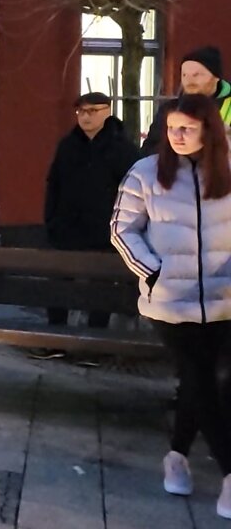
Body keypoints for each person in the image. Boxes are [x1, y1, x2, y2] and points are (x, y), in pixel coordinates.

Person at [111, 94, 231, 517]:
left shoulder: (229, 170)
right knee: (201, 378)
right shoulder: (145, 173)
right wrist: (153, 270)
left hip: (224, 300)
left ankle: (177, 457)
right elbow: (123, 230)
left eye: (187, 128)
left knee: (203, 385)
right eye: (171, 128)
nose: (177, 136)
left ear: (209, 131)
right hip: (169, 302)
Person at [33, 92, 139, 363]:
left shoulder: (122, 148)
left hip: (104, 233)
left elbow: (133, 192)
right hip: (66, 230)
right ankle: (55, 339)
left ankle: (94, 344)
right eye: (80, 111)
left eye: (92, 111)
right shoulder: (68, 145)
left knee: (100, 288)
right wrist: (52, 220)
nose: (85, 116)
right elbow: (53, 183)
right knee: (58, 285)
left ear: (107, 111)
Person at [142, 46, 231, 156]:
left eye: (196, 75)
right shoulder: (170, 109)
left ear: (216, 77)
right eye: (184, 75)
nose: (189, 81)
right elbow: (150, 150)